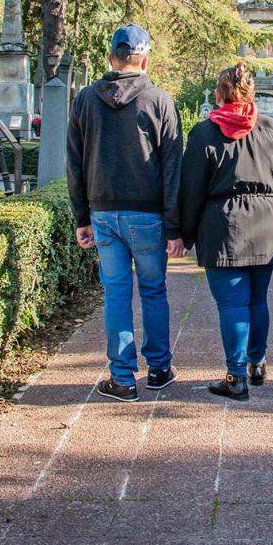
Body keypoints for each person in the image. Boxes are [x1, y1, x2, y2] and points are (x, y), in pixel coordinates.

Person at [67, 24, 186, 403]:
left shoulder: (85, 99)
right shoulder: (160, 101)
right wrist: (174, 226)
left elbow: (74, 162)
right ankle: (159, 369)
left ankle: (122, 378)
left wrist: (81, 217)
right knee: (153, 291)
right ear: (144, 59)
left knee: (116, 294)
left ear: (111, 58)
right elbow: (172, 169)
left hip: (103, 212)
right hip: (148, 215)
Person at [180, 63, 273, 401]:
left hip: (223, 227)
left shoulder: (204, 133)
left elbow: (191, 191)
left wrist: (185, 234)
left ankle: (236, 376)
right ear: (252, 91)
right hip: (266, 225)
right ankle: (257, 363)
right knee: (257, 300)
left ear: (219, 93)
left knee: (232, 304)